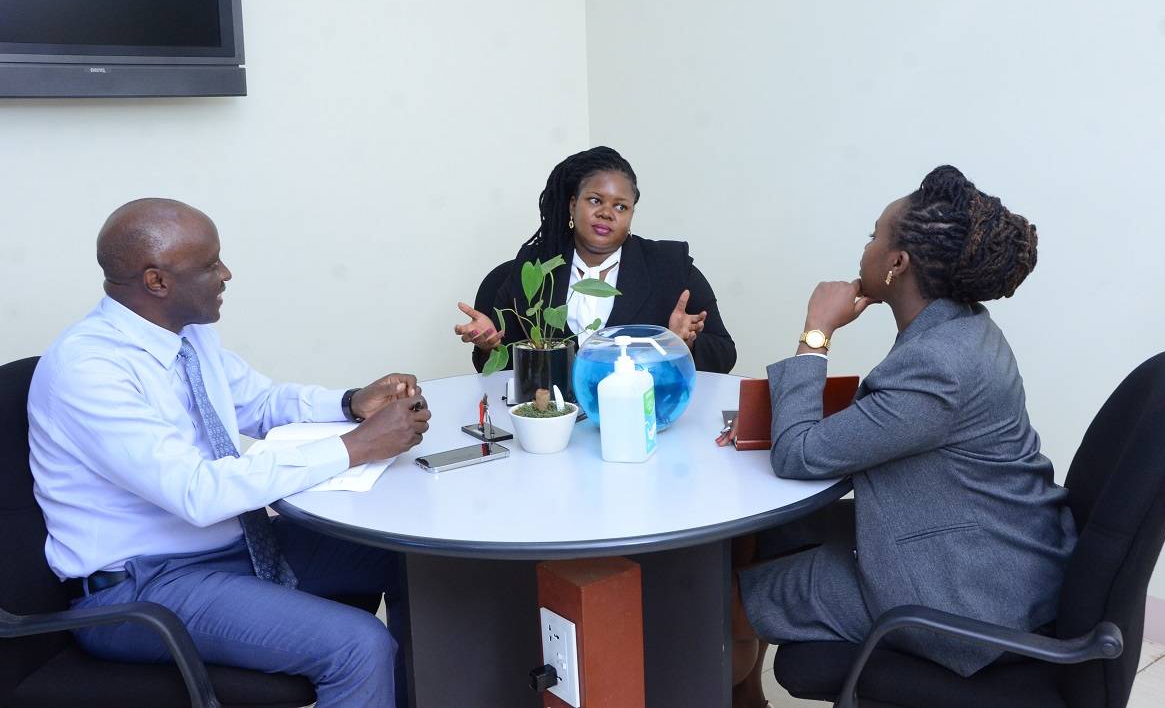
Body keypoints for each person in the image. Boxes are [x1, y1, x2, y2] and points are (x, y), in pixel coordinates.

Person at [27, 199, 430, 708]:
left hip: (234, 550)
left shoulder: (187, 337)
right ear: (157, 281)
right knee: (357, 646)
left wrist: (350, 403)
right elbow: (198, 493)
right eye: (210, 264)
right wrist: (353, 447)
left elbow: (259, 404)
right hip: (142, 587)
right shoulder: (89, 371)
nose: (226, 274)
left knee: (420, 561)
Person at [718, 166, 1077, 708]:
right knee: (764, 535)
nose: (865, 247)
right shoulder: (964, 329)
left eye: (873, 236)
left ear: (897, 263)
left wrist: (816, 331)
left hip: (966, 593)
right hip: (989, 542)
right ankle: (747, 700)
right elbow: (892, 422)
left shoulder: (939, 366)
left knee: (720, 604)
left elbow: (797, 455)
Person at [454, 146, 737, 373]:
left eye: (621, 206)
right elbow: (503, 371)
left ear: (631, 214)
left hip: (644, 412)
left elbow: (725, 354)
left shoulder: (671, 266)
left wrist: (682, 345)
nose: (606, 213)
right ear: (572, 204)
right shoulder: (536, 265)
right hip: (554, 415)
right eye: (595, 200)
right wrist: (489, 346)